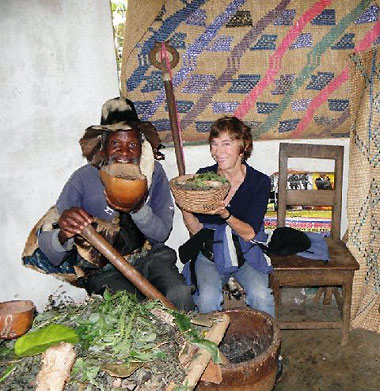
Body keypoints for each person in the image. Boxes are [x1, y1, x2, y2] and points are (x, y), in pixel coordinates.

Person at [22, 97, 194, 312]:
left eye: (132, 145)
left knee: (179, 293)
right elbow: (53, 255)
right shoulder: (83, 179)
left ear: (141, 148)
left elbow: (160, 235)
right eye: (115, 144)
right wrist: (64, 233)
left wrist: (137, 208)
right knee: (129, 310)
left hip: (149, 258)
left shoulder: (153, 174)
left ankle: (188, 343)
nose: (124, 152)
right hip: (104, 270)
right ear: (103, 148)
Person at [179, 116, 274, 316]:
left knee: (261, 296)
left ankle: (269, 344)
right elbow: (196, 230)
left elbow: (249, 233)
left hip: (246, 253)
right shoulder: (204, 179)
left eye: (226, 144)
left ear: (243, 146)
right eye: (214, 144)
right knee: (207, 299)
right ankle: (209, 346)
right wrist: (184, 203)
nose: (217, 152)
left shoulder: (259, 182)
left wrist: (225, 214)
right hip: (210, 253)